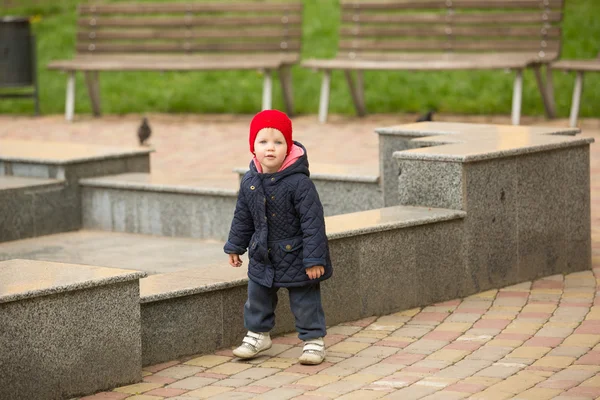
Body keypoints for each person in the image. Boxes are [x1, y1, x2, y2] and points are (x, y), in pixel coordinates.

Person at [224, 109, 333, 365]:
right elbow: (243, 216)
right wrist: (235, 246)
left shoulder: (299, 184)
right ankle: (257, 334)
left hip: (297, 254)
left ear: (289, 146)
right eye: (263, 142)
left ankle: (313, 341)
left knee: (305, 301)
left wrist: (314, 259)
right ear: (253, 147)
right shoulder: (250, 181)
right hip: (263, 254)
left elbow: (313, 223)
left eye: (278, 142)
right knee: (257, 298)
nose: (270, 148)